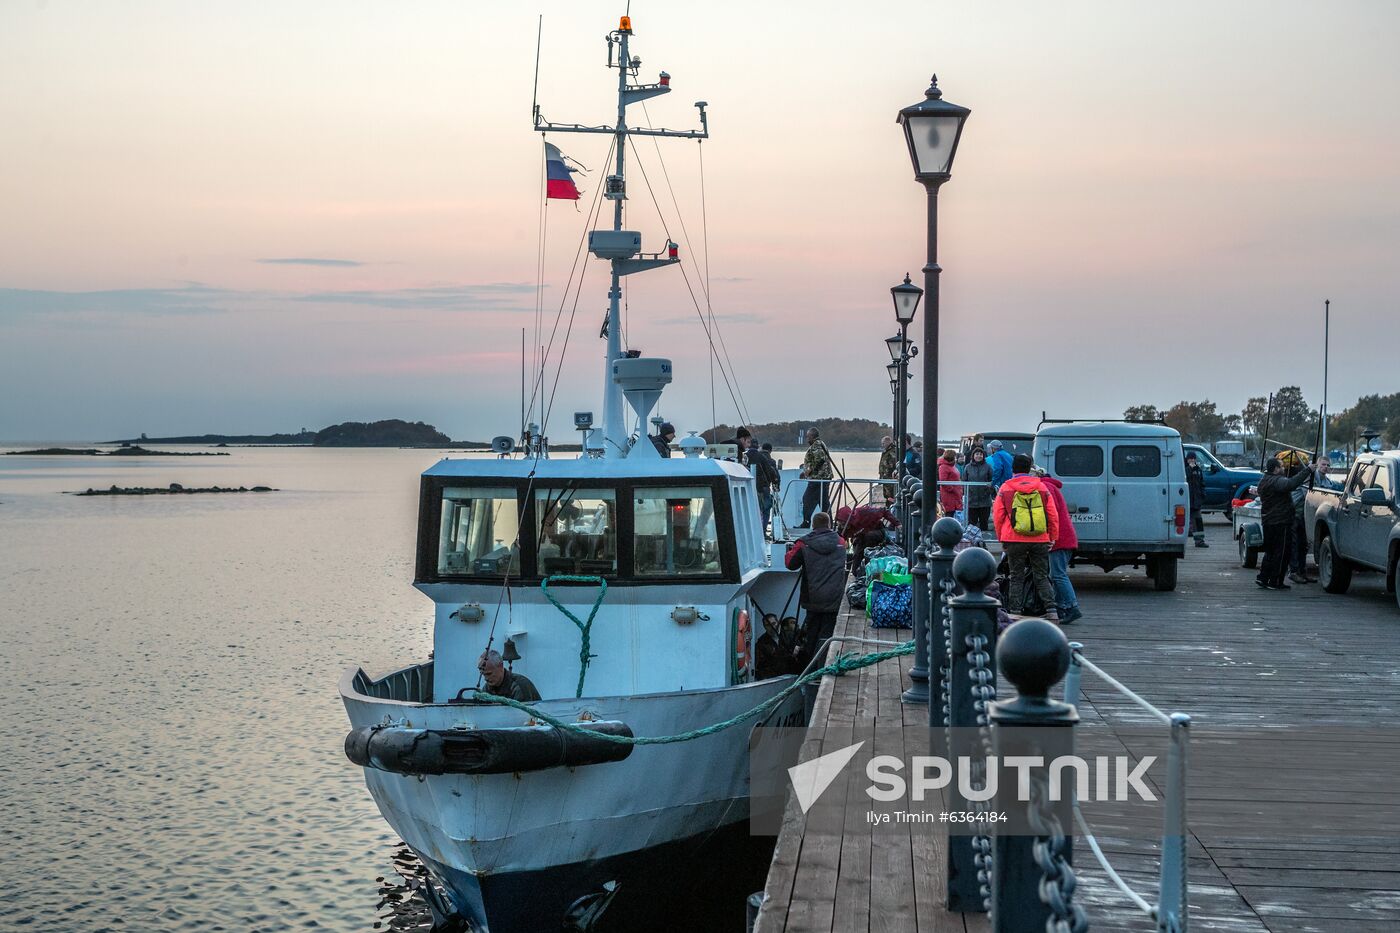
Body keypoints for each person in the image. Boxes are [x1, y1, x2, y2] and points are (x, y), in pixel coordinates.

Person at [992, 454, 1060, 622]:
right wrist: (1052, 536)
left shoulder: (1006, 487)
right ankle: (1051, 610)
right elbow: (1052, 514)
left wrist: (1002, 538)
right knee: (1041, 575)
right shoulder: (1042, 487)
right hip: (1040, 538)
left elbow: (998, 516)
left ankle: (1015, 611)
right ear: (1029, 468)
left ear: (1013, 468)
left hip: (1014, 538)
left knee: (1016, 576)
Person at [785, 511, 847, 667]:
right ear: (829, 524)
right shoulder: (841, 542)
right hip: (834, 596)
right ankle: (824, 664)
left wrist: (789, 551)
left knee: (812, 633)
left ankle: (810, 667)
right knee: (827, 633)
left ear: (813, 525)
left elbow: (791, 564)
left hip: (813, 597)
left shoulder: (804, 543)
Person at [1254, 457, 1313, 590]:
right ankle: (1275, 581)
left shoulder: (1263, 480)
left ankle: (1263, 577)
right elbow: (1291, 484)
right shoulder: (1277, 481)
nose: (1283, 468)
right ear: (1275, 469)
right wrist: (1308, 470)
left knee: (1270, 551)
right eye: (1281, 466)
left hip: (1268, 521)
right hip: (1280, 521)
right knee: (1282, 552)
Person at [1037, 467, 1081, 624]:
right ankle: (1061, 607)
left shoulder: (1045, 487)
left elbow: (1050, 513)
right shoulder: (1050, 486)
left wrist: (1049, 536)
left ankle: (1072, 606)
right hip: (1064, 537)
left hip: (1059, 538)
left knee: (1058, 575)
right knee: (1057, 574)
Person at [836, 503, 900, 570]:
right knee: (856, 563)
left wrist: (897, 524)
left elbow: (884, 511)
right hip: (861, 539)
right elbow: (840, 542)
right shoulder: (843, 528)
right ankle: (858, 570)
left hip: (877, 532)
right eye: (840, 523)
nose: (842, 525)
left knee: (868, 537)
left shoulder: (863, 512)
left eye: (843, 523)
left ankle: (870, 562)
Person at [798, 428, 834, 527]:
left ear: (812, 437)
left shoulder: (816, 446)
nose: (806, 439)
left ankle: (806, 523)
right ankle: (829, 523)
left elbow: (820, 460)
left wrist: (809, 472)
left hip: (818, 479)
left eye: (808, 437)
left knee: (807, 499)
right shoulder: (821, 443)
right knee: (823, 502)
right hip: (824, 478)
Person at [748, 440, 781, 537]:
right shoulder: (769, 460)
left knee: (754, 509)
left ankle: (753, 530)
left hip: (750, 487)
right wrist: (776, 485)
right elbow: (774, 474)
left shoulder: (746, 456)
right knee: (766, 510)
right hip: (764, 488)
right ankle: (763, 531)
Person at [963, 446, 994, 532]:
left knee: (984, 523)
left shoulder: (988, 467)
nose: (979, 456)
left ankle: (984, 542)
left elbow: (992, 480)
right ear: (973, 456)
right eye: (977, 454)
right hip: (971, 501)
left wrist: (989, 489)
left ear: (983, 456)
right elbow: (964, 481)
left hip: (985, 501)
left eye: (981, 454)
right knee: (972, 524)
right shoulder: (967, 467)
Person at [1186, 451, 1208, 548]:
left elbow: (1202, 483)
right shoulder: (1184, 469)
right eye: (1190, 458)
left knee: (1198, 521)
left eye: (1193, 458)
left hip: (1196, 501)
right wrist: (1191, 470)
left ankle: (1199, 541)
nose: (1192, 460)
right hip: (1185, 500)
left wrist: (1203, 495)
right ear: (1187, 460)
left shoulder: (1198, 470)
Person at [937, 448, 963, 519]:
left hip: (955, 494)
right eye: (955, 457)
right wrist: (953, 489)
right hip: (949, 495)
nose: (956, 459)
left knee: (954, 513)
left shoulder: (952, 466)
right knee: (948, 513)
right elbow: (943, 481)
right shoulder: (943, 467)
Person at [877, 435, 898, 503]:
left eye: (883, 443)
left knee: (890, 494)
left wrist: (886, 474)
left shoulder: (892, 451)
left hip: (889, 477)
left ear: (887, 442)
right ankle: (888, 506)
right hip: (885, 476)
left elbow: (892, 465)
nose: (882, 445)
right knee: (886, 494)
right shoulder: (886, 452)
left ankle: (890, 508)